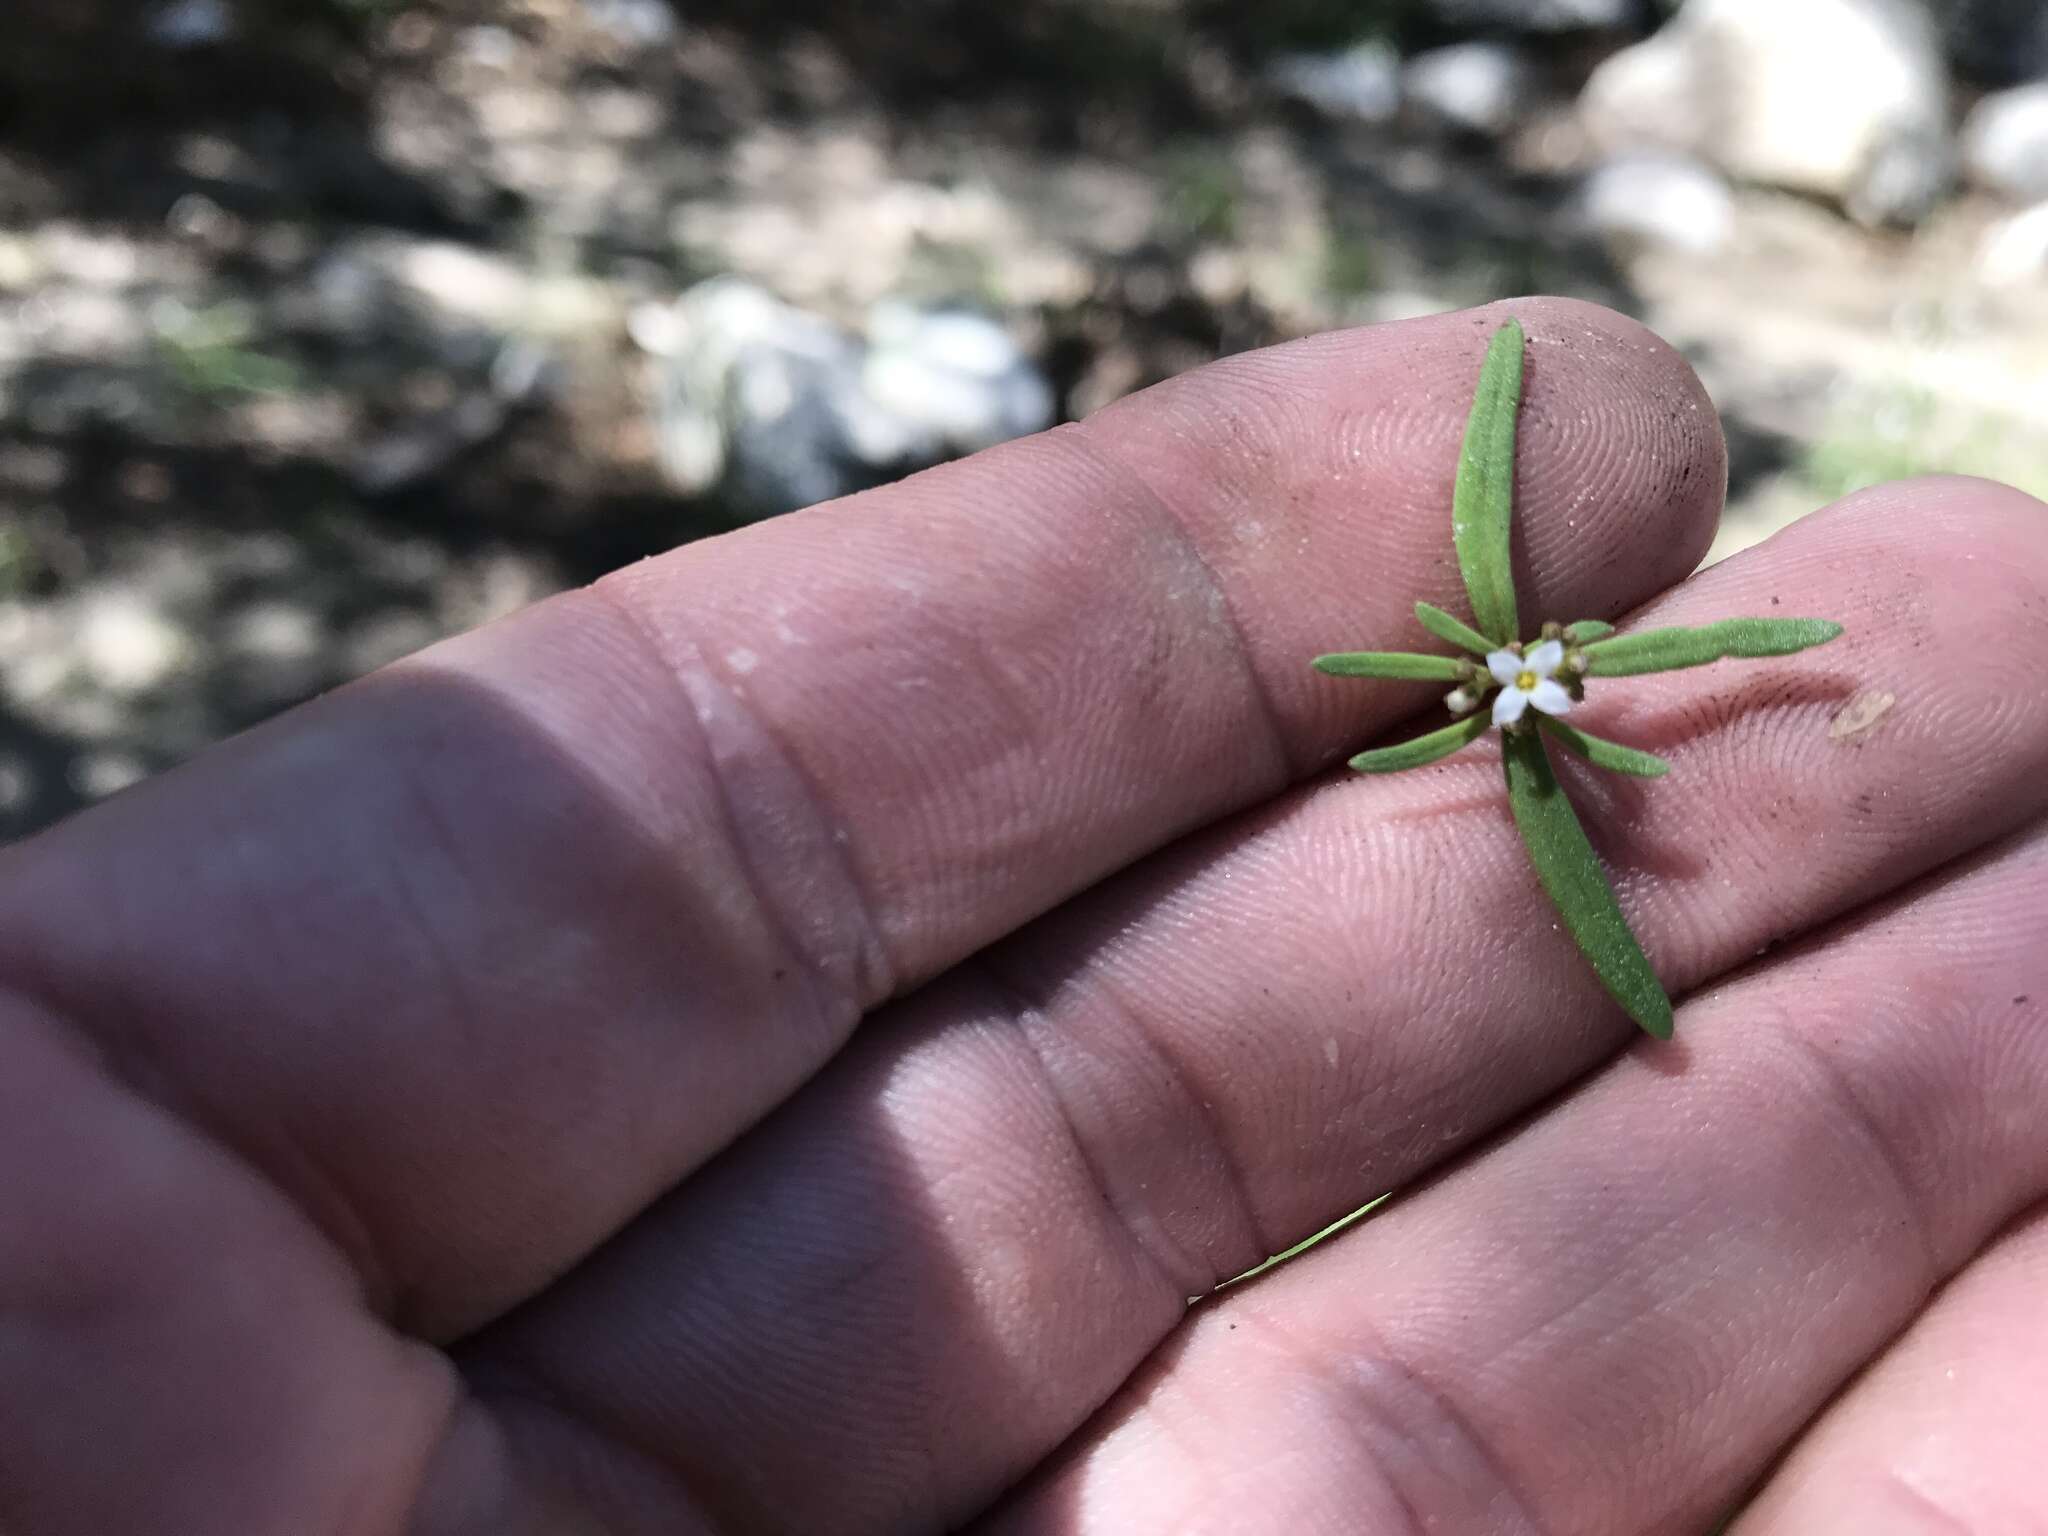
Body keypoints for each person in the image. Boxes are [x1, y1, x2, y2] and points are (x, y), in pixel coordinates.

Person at [5, 297, 2045, 1535]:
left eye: (1520, 685)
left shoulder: (1530, 701)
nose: (1514, 689)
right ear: (1496, 679)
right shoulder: (1487, 696)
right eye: (1508, 685)